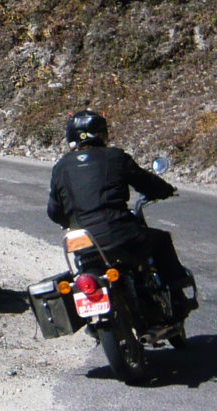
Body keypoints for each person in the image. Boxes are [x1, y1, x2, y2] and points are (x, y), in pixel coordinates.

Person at [48, 109, 190, 315]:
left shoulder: (60, 167)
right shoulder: (115, 157)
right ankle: (176, 294)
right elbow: (145, 181)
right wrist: (165, 190)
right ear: (102, 133)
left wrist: (68, 220)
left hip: (84, 245)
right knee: (161, 240)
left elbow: (53, 211)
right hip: (122, 234)